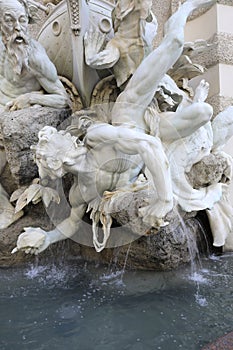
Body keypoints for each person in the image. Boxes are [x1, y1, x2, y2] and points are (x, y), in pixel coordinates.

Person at [11, 0, 217, 254]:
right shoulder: (79, 192)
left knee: (173, 45)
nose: (63, 137)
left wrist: (164, 199)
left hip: (130, 111)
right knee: (204, 113)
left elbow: (148, 144)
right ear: (57, 164)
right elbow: (72, 222)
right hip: (156, 132)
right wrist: (47, 238)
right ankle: (191, 106)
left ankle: (187, 7)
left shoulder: (96, 138)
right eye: (48, 150)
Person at [0, 0, 70, 229]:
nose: (17, 28)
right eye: (9, 20)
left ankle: (7, 211)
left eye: (22, 20)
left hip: (13, 112)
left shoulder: (35, 56)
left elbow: (63, 98)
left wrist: (31, 98)